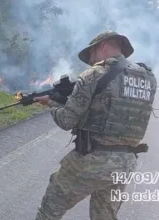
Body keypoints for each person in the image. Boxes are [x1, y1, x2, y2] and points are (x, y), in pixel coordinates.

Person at [33, 30, 157, 220]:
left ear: (103, 46)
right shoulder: (148, 78)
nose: (91, 62)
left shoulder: (94, 74)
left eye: (91, 55)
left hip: (93, 160)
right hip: (125, 164)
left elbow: (67, 120)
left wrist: (50, 103)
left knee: (49, 210)